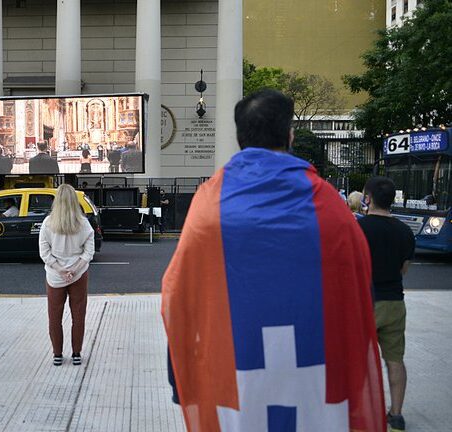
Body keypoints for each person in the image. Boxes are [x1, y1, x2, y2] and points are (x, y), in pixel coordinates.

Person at [162, 90, 386, 432]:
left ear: (240, 139)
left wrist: (179, 377)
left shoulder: (209, 206)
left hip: (234, 377)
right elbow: (359, 289)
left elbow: (181, 295)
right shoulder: (328, 203)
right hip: (317, 374)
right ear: (290, 134)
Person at [358, 176, 415, 432]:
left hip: (366, 302)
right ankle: (396, 414)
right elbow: (404, 269)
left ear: (367, 198)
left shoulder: (359, 228)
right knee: (395, 359)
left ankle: (360, 411)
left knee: (359, 359)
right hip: (395, 302)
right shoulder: (405, 231)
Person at [38, 184, 95, 367]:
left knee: (54, 316)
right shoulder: (83, 223)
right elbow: (89, 252)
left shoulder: (48, 223)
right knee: (78, 315)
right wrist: (75, 269)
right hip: (78, 275)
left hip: (55, 276)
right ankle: (77, 353)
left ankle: (57, 354)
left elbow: (44, 252)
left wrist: (60, 269)